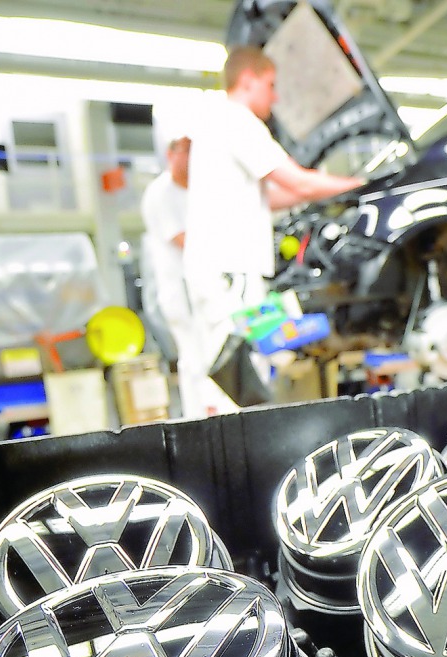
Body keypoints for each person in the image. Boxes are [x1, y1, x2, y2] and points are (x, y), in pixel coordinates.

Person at [182, 45, 364, 417]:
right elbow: (297, 181)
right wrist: (360, 185)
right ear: (248, 81)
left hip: (220, 268)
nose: (275, 95)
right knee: (232, 374)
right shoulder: (237, 121)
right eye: (270, 84)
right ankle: (230, 459)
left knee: (228, 370)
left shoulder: (217, 123)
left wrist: (316, 192)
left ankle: (230, 452)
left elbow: (274, 196)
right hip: (229, 269)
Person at [139, 135, 193, 402]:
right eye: (186, 150)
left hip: (201, 288)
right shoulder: (160, 192)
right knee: (195, 358)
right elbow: (181, 238)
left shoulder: (195, 191)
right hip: (180, 290)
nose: (192, 157)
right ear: (171, 154)